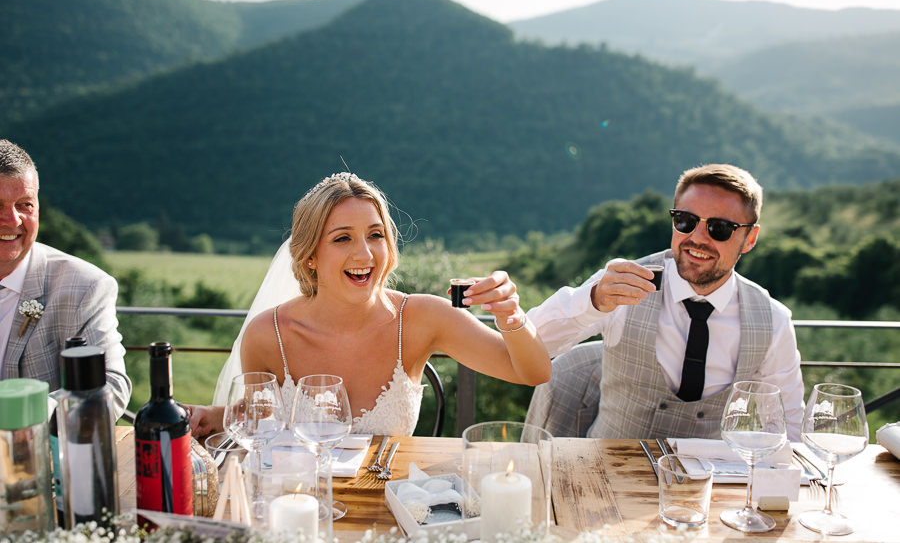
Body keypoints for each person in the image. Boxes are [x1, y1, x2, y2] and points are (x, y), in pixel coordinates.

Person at [190, 172, 551, 437]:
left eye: (375, 235)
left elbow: (533, 373)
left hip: (391, 511)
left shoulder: (424, 318)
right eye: (342, 238)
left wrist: (511, 315)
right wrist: (216, 416)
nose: (364, 254)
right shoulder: (268, 335)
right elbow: (262, 420)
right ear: (310, 255)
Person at [526, 163, 803, 440]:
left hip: (710, 481)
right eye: (685, 220)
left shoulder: (772, 321)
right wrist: (593, 300)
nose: (697, 238)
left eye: (720, 228)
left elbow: (786, 426)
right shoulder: (625, 280)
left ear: (749, 239)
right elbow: (530, 343)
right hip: (607, 470)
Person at [0, 139, 131, 418]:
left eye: (25, 205)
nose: (12, 220)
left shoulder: (85, 287)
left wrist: (24, 412)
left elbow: (110, 387)